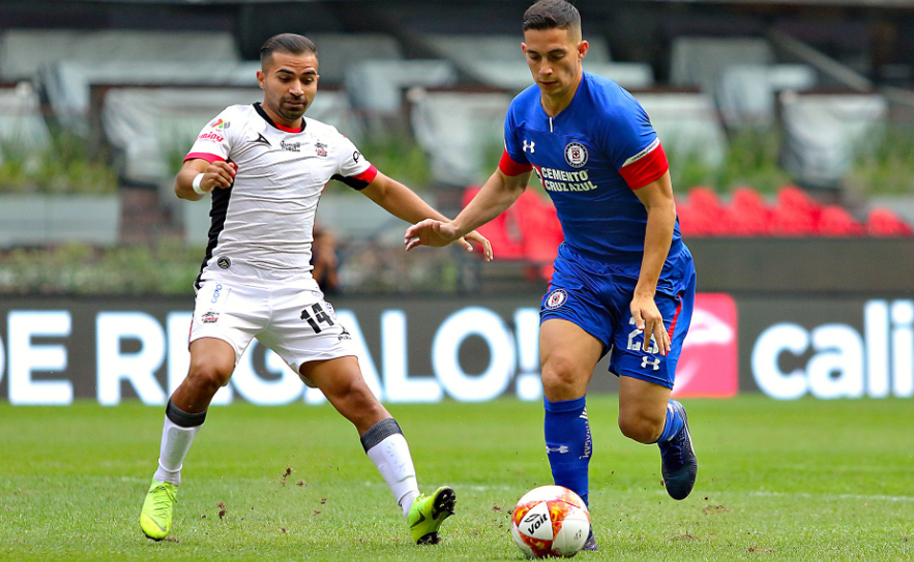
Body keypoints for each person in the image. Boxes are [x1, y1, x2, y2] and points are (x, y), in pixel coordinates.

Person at [139, 33, 491, 545]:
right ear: (263, 78)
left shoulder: (329, 141)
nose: (297, 89)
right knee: (208, 371)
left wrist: (452, 225)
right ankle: (165, 482)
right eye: (286, 77)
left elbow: (386, 188)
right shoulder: (233, 122)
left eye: (308, 79)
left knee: (356, 393)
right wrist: (200, 181)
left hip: (294, 291)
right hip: (231, 283)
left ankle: (414, 507)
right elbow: (185, 176)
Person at [404, 0, 697, 551]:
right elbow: (509, 182)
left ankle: (672, 426)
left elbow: (663, 208)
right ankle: (574, 521)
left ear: (580, 51)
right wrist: (455, 226)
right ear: (524, 53)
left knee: (637, 422)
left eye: (557, 57)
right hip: (582, 267)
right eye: (535, 58)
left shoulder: (614, 115)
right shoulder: (524, 112)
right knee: (560, 374)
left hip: (652, 278)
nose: (545, 70)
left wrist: (644, 293)